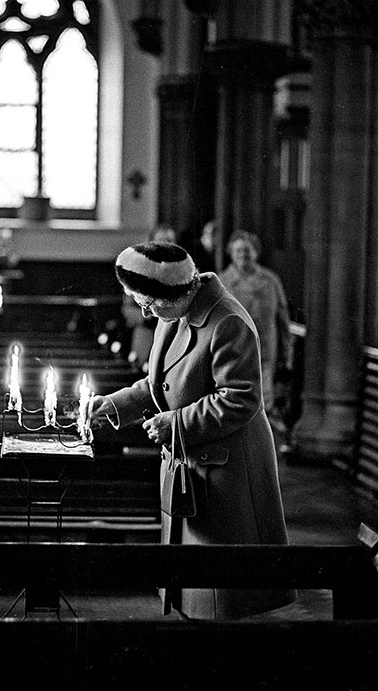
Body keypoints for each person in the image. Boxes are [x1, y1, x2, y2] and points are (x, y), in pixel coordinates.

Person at [91, 241, 295, 620]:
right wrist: (117, 404)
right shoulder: (176, 313)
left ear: (177, 292)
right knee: (195, 582)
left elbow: (240, 398)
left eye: (149, 302)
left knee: (223, 592)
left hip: (228, 467)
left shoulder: (227, 321)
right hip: (194, 460)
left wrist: (176, 423)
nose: (144, 310)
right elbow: (161, 382)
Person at [218, 230, 293, 435]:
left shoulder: (270, 281)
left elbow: (283, 320)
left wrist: (287, 355)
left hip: (265, 351)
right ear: (231, 254)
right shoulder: (222, 282)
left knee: (264, 402)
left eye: (247, 250)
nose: (243, 255)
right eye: (238, 251)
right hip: (233, 353)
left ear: (256, 253)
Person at [121, 224, 177, 371]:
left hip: (175, 335)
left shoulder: (183, 271)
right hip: (146, 335)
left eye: (169, 242)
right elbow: (128, 309)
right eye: (160, 242)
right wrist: (149, 316)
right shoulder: (137, 270)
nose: (165, 247)